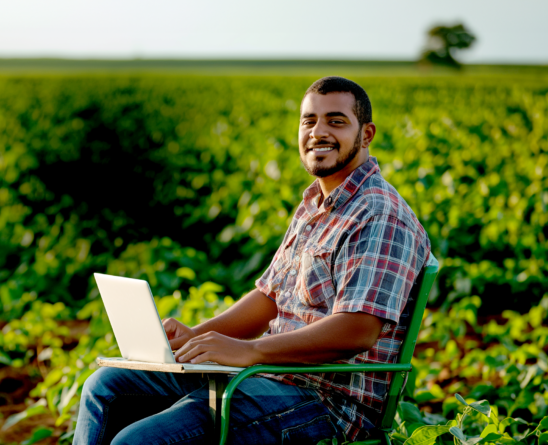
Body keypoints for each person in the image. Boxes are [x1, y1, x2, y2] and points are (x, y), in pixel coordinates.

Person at [74, 76, 433, 445]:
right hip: (269, 377)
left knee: (138, 441)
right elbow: (269, 297)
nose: (318, 132)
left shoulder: (380, 214)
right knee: (106, 387)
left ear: (367, 133)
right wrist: (196, 339)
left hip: (329, 403)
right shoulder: (314, 205)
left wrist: (250, 351)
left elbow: (357, 330)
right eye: (309, 120)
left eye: (336, 121)